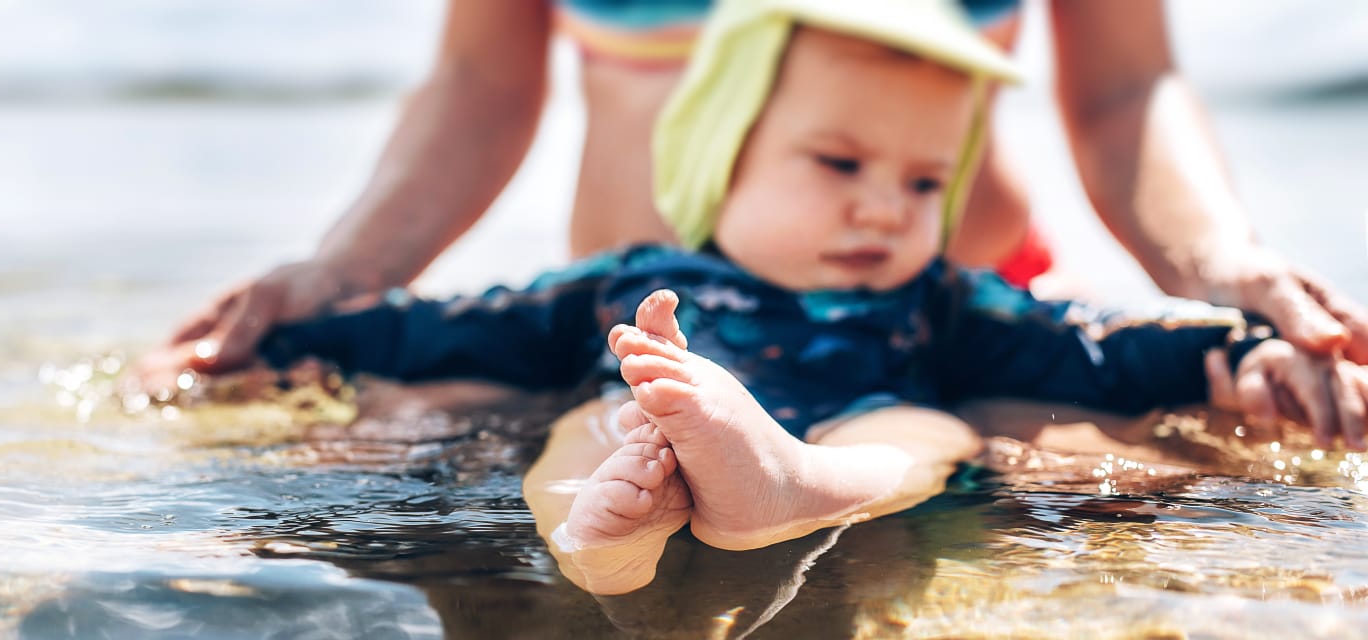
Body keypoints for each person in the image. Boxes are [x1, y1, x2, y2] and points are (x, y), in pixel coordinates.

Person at [222, 0, 1368, 595]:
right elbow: (453, 316)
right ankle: (606, 544)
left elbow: (1093, 336)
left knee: (919, 432)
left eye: (925, 179)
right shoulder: (621, 291)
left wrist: (1231, 322)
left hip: (929, 375)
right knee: (597, 423)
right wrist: (316, 316)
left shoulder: (943, 308)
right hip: (651, 360)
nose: (883, 204)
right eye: (840, 167)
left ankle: (790, 485)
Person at [136, 0, 1368, 391]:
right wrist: (338, 285)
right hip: (627, 337)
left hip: (967, 313)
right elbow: (477, 82)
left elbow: (1121, 88)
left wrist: (1223, 274)